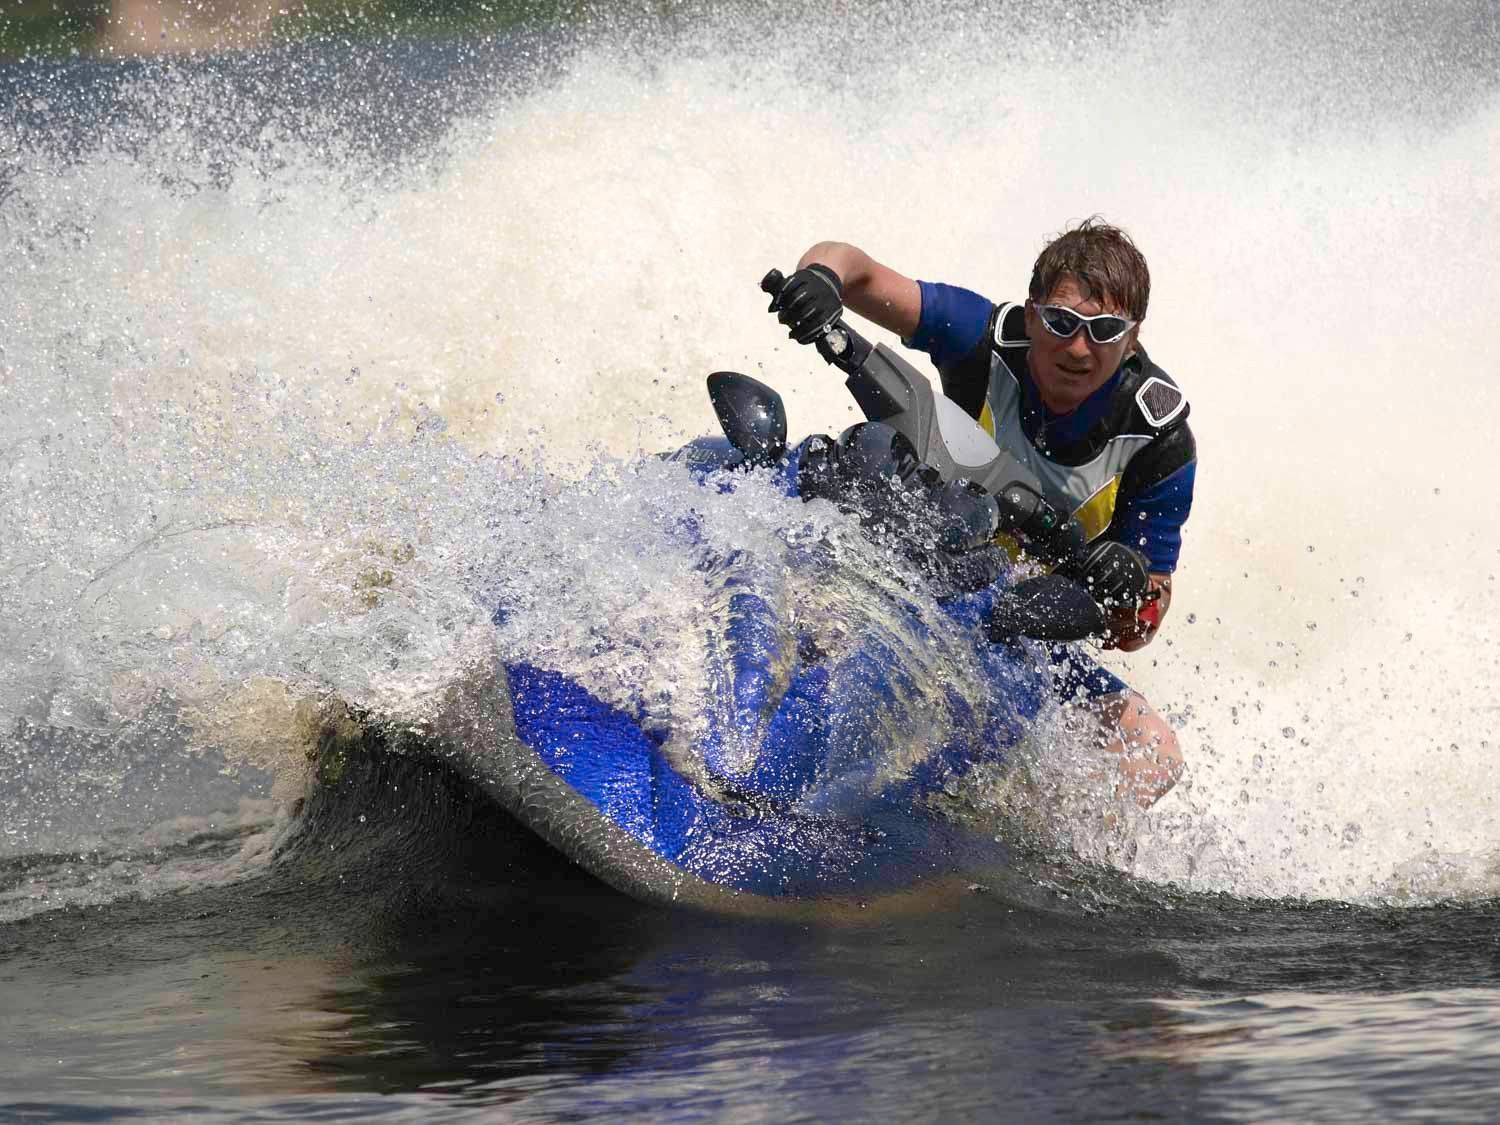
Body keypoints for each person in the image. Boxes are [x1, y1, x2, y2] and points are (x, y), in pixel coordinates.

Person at [770, 218, 1194, 807]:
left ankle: (1012, 857)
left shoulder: (1158, 438)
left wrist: (1125, 592)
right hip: (902, 550)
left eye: (1103, 331)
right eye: (1062, 323)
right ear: (1030, 316)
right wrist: (819, 279)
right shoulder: (981, 336)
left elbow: (1143, 622)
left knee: (1153, 749)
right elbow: (850, 264)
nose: (1078, 347)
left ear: (1133, 338)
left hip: (1016, 632)